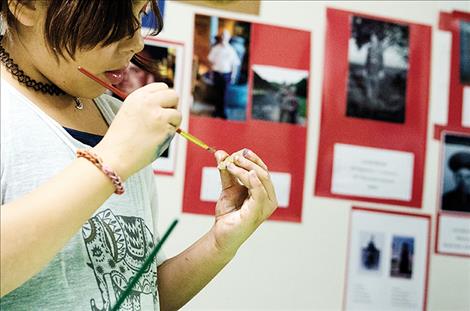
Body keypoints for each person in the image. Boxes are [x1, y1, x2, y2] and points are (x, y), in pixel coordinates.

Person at [0, 1, 278, 310]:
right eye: (112, 14)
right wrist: (112, 159)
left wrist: (219, 243)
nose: (136, 42)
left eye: (141, 12)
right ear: (25, 5)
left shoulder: (119, 121)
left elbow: (140, 292)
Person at [207, 29, 241, 119]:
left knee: (224, 94)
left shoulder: (231, 50)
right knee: (216, 93)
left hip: (226, 75)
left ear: (229, 38)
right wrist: (211, 74)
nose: (223, 37)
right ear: (221, 37)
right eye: (222, 36)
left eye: (225, 36)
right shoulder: (215, 48)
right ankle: (216, 111)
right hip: (217, 74)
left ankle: (222, 112)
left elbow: (235, 64)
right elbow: (210, 62)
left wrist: (233, 76)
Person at [364, 32, 385, 107]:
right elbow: (366, 59)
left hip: (376, 70)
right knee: (368, 85)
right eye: (371, 38)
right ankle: (368, 100)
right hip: (369, 69)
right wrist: (365, 69)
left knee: (376, 86)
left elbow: (382, 60)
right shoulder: (369, 48)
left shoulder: (380, 49)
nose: (372, 39)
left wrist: (382, 70)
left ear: (376, 39)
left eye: (374, 38)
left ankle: (374, 100)